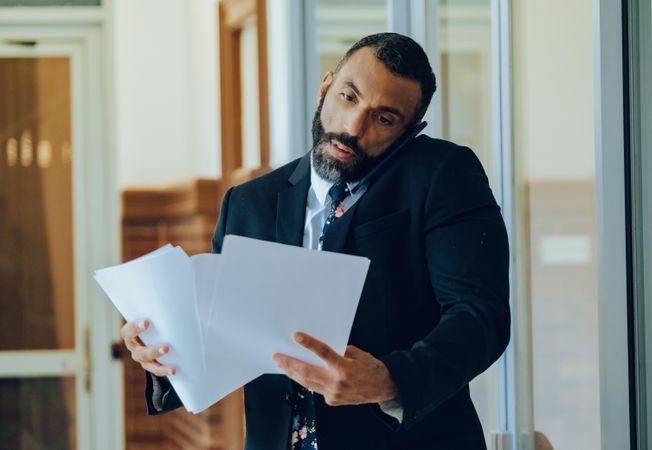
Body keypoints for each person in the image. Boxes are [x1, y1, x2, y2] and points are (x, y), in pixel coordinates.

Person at [120, 32, 510, 450]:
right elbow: (226, 336)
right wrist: (164, 356)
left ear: (409, 131)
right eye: (348, 97)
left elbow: (479, 316)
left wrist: (390, 380)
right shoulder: (248, 203)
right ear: (326, 87)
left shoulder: (443, 176)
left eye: (383, 118)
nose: (353, 126)